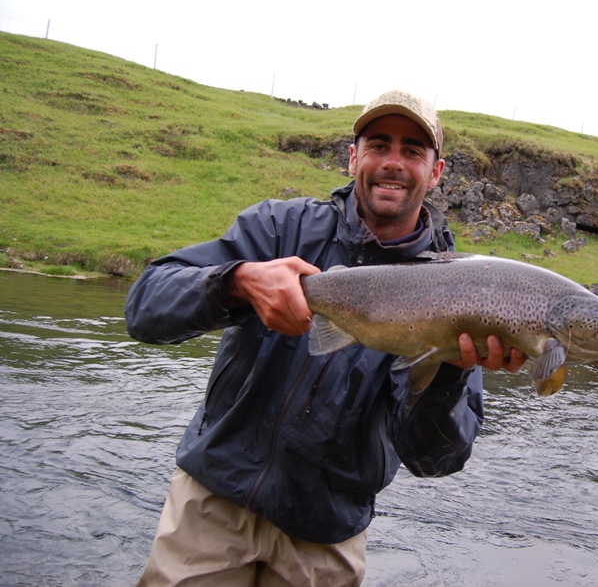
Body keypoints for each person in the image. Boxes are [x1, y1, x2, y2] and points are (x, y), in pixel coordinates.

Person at [125, 90, 527, 586]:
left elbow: (434, 458)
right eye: (379, 145)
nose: (393, 163)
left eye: (412, 151)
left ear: (436, 172)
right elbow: (144, 307)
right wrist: (237, 281)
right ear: (353, 156)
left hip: (325, 535)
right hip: (212, 505)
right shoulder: (278, 228)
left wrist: (451, 369)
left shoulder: (463, 287)